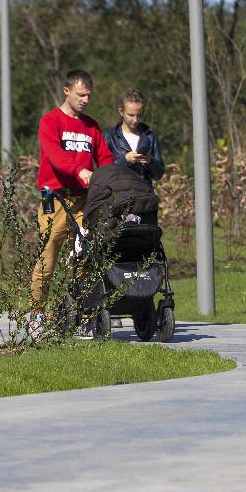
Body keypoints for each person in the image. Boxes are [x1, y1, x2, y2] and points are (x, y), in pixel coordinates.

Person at [30, 69, 114, 313]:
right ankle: (36, 315)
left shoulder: (92, 126)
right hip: (55, 198)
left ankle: (83, 313)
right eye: (80, 95)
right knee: (48, 258)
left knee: (87, 255)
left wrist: (109, 177)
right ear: (66, 91)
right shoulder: (51, 121)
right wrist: (80, 171)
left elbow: (105, 157)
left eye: (88, 95)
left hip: (84, 201)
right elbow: (55, 157)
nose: (85, 100)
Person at [104, 89, 164, 184]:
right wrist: (125, 160)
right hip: (119, 194)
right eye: (131, 115)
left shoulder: (150, 136)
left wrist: (150, 161)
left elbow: (159, 175)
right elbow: (103, 171)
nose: (135, 120)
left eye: (139, 115)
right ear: (121, 112)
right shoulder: (109, 137)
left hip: (144, 194)